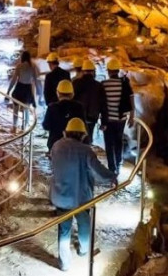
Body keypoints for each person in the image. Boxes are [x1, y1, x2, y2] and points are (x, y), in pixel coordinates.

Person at [50, 118, 117, 271]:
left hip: (61, 196)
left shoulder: (57, 146)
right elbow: (99, 171)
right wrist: (112, 177)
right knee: (84, 224)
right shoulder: (86, 150)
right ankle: (84, 249)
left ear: (66, 132)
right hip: (81, 198)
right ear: (82, 135)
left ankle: (64, 263)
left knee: (64, 229)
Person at [100, 59, 135, 174]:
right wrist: (132, 114)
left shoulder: (104, 84)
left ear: (109, 71)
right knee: (118, 141)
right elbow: (131, 97)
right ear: (117, 71)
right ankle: (118, 163)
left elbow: (101, 103)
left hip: (108, 120)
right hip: (121, 119)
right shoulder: (124, 83)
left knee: (109, 144)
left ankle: (112, 168)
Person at [72, 59, 109, 144]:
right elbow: (103, 105)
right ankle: (86, 152)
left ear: (83, 71)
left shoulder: (76, 83)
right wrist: (104, 122)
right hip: (92, 117)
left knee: (76, 139)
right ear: (93, 72)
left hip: (78, 117)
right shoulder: (98, 86)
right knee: (88, 138)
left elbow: (71, 100)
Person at [42, 80, 85, 152]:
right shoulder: (79, 107)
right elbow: (83, 126)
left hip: (55, 144)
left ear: (58, 93)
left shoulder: (52, 107)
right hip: (75, 146)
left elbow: (46, 126)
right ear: (72, 94)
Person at [7, 50, 41, 130]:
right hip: (28, 89)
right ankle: (24, 128)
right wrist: (39, 93)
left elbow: (14, 80)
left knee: (16, 108)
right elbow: (36, 80)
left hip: (19, 87)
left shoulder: (19, 66)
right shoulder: (33, 67)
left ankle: (14, 126)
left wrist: (8, 90)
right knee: (26, 109)